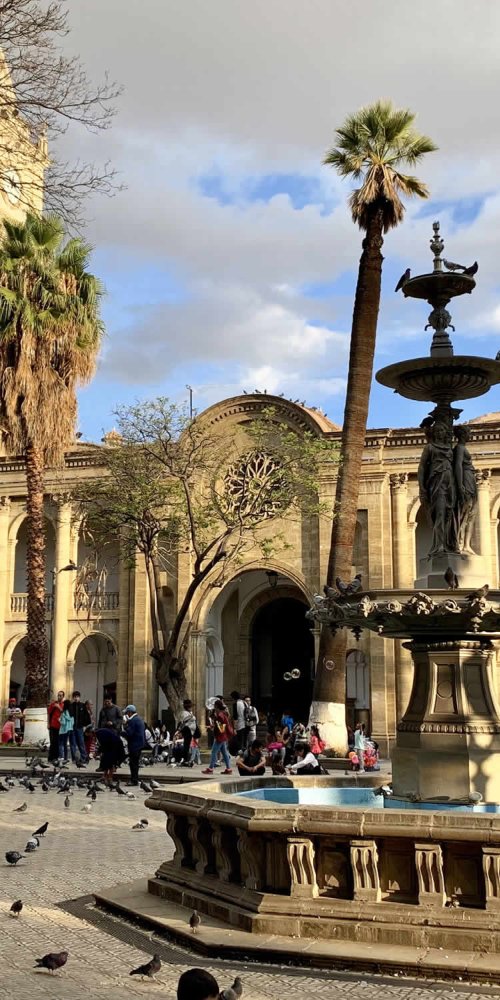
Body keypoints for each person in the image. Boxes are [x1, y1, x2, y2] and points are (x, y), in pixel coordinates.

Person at [202, 698, 233, 774]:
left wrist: (214, 727)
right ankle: (228, 769)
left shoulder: (219, 716)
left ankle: (210, 768)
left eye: (214, 706)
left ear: (216, 706)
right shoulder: (223, 714)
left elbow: (221, 728)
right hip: (223, 736)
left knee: (213, 752)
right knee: (224, 753)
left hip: (220, 737)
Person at [123, 705, 145, 786]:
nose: (126, 715)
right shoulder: (139, 719)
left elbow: (129, 733)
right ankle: (135, 778)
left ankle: (134, 780)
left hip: (134, 745)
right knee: (135, 763)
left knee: (133, 763)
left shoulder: (133, 720)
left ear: (129, 712)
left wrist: (125, 726)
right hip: (139, 744)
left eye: (127, 713)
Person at [69, 691, 91, 764]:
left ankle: (84, 758)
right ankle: (74, 759)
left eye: (77, 697)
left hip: (80, 727)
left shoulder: (82, 705)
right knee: (73, 744)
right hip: (72, 728)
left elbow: (87, 716)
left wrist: (85, 726)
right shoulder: (71, 706)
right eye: (74, 697)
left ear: (79, 697)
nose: (76, 698)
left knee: (81, 743)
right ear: (73, 698)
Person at [178, 699, 199, 765]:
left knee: (191, 745)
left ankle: (190, 759)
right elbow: (184, 720)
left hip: (192, 731)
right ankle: (185, 759)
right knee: (186, 745)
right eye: (190, 707)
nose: (191, 708)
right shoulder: (184, 713)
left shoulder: (191, 713)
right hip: (187, 730)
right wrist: (191, 716)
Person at [47, 690, 65, 763]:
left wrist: (59, 707)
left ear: (63, 697)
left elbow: (64, 713)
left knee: (58, 742)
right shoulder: (53, 704)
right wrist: (48, 723)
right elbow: (49, 713)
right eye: (58, 695)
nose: (59, 697)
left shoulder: (63, 705)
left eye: (60, 695)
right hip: (53, 725)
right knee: (52, 742)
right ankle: (51, 757)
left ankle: (56, 757)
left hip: (60, 726)